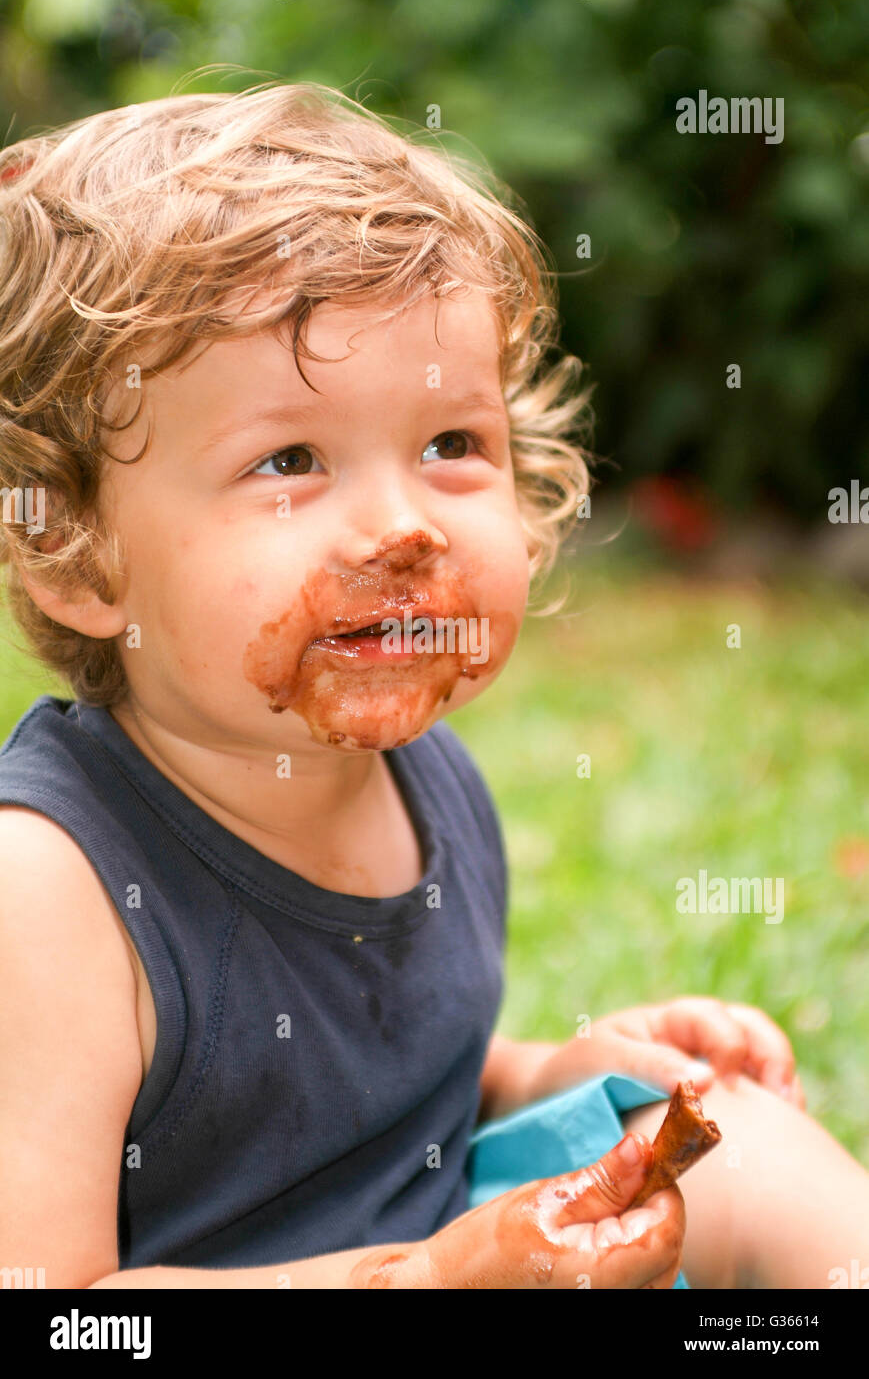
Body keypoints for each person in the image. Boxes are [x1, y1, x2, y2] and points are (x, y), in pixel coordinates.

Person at [0, 82, 866, 1291]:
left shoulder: (419, 779)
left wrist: (553, 1074)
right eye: (289, 459)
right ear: (78, 556)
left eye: (450, 444)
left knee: (742, 1160)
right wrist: (415, 1282)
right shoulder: (49, 888)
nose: (401, 526)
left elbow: (389, 1108)